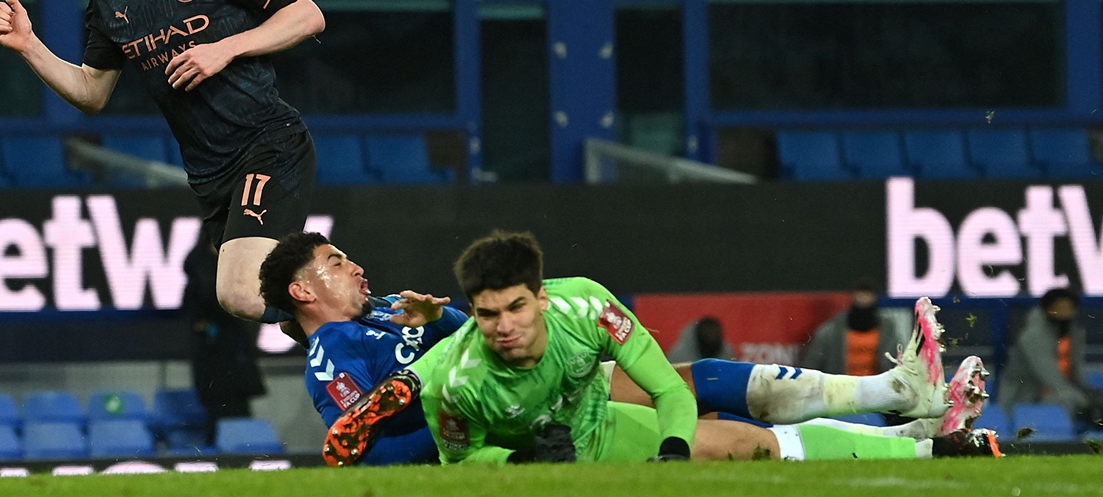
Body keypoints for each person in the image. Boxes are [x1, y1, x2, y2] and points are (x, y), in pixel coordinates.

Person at [0, 0, 324, 327]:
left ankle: (367, 309)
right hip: (210, 176)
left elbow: (307, 16)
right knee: (291, 317)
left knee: (242, 294)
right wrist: (29, 47)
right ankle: (380, 332)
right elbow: (92, 93)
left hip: (267, 143)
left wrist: (226, 47)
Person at [324, 230, 1001, 465]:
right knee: (727, 417)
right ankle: (903, 406)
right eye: (487, 313)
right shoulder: (439, 371)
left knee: (740, 441)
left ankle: (926, 440)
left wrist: (673, 450)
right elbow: (457, 459)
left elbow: (669, 387)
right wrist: (518, 454)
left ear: (544, 295)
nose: (502, 324)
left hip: (596, 421)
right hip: (533, 445)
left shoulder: (585, 304)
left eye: (515, 306)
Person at [258, 231, 469, 464]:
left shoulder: (389, 305)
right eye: (337, 264)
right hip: (473, 433)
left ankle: (415, 377)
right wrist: (457, 426)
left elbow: (472, 333)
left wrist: (439, 317)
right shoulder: (330, 362)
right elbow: (368, 457)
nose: (357, 268)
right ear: (303, 291)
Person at [182, 239, 266, 442]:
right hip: (215, 365)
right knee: (220, 418)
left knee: (240, 419)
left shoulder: (237, 278)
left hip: (237, 366)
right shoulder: (200, 282)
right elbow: (204, 303)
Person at [998, 287, 1103, 428]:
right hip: (1025, 399)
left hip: (1060, 394)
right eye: (1059, 308)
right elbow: (1051, 379)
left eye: (1069, 308)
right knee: (1069, 398)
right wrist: (1086, 402)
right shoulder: (1032, 336)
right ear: (1046, 309)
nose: (1064, 313)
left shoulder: (1075, 334)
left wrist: (1094, 396)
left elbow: (1076, 375)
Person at [801, 280, 908, 377]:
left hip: (877, 388)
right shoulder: (832, 330)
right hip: (842, 387)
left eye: (867, 296)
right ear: (853, 297)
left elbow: (902, 359)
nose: (863, 300)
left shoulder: (888, 329)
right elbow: (812, 362)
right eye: (860, 295)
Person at [666, 315, 736, 363]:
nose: (711, 337)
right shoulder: (678, 357)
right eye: (708, 334)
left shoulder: (727, 354)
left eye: (715, 334)